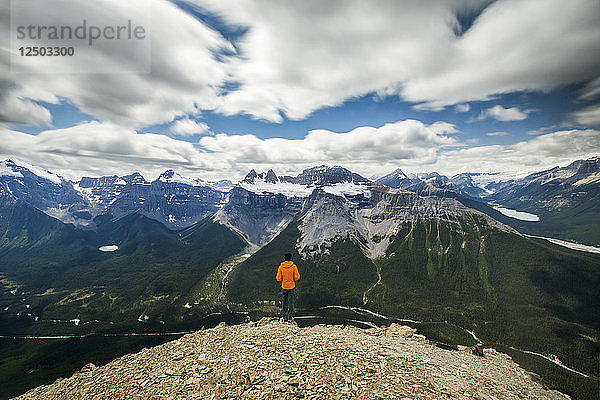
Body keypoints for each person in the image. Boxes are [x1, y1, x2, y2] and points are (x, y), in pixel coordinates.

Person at [276, 253, 300, 322]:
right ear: (290, 258)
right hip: (291, 286)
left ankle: (283, 317)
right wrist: (292, 279)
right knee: (290, 302)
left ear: (285, 258)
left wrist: (283, 279)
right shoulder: (293, 266)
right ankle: (290, 317)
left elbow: (278, 278)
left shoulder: (281, 267)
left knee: (284, 302)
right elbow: (297, 277)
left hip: (284, 286)